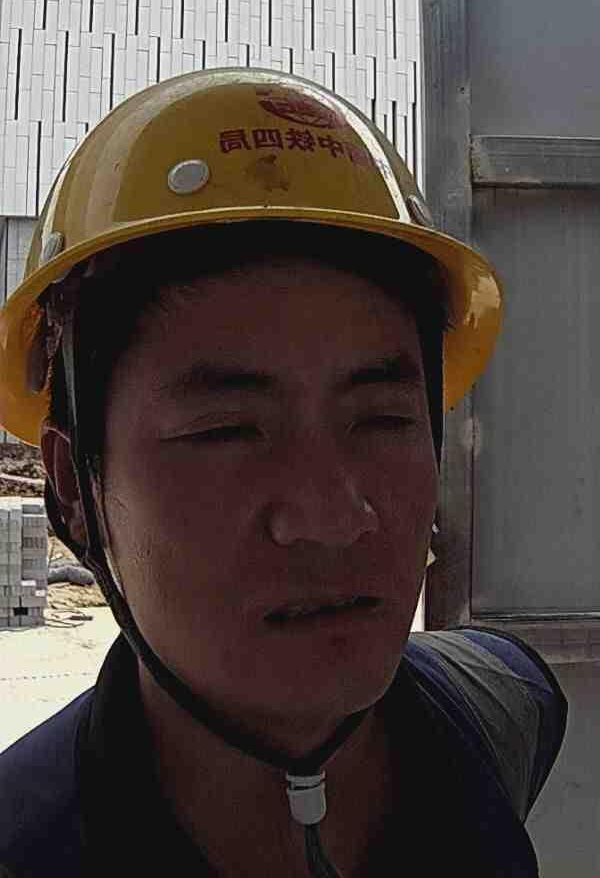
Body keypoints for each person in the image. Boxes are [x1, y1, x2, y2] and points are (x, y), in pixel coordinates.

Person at [0, 69, 566, 877]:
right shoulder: (28, 840)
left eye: (382, 419)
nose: (333, 515)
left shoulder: (501, 708)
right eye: (227, 431)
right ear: (72, 488)